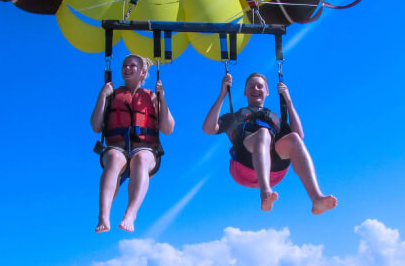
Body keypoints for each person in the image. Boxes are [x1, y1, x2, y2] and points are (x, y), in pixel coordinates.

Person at [202, 72, 337, 214]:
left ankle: (316, 198)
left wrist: (288, 101)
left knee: (294, 139)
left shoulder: (274, 118)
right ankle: (265, 193)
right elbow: (208, 128)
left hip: (274, 171)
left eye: (260, 86)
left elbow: (299, 136)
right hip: (243, 167)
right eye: (251, 86)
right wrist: (223, 93)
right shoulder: (235, 116)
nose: (255, 88)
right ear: (245, 92)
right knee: (263, 133)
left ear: (267, 92)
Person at [90, 54, 174, 233]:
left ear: (143, 72)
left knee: (141, 157)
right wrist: (102, 96)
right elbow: (96, 126)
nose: (126, 68)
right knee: (113, 157)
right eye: (124, 65)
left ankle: (131, 213)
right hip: (117, 148)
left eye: (132, 66)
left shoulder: (151, 97)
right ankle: (103, 214)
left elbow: (168, 129)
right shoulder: (113, 94)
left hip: (144, 149)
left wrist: (162, 98)